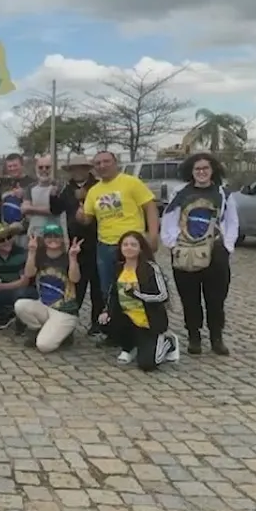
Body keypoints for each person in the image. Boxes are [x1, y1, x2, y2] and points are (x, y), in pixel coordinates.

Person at [160, 153, 237, 356]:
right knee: (189, 297)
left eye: (205, 168)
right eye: (197, 169)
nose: (201, 172)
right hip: (185, 250)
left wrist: (227, 247)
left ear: (212, 170)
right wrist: (172, 243)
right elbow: (168, 218)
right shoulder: (180, 192)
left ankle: (216, 337)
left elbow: (232, 222)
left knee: (216, 298)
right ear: (191, 171)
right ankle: (194, 337)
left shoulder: (223, 193)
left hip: (216, 252)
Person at [76, 151, 159, 306]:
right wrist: (79, 215)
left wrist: (153, 235)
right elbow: (87, 219)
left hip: (132, 245)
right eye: (98, 163)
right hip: (105, 247)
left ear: (115, 163)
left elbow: (150, 207)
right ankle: (114, 324)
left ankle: (139, 324)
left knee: (136, 287)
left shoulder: (131, 182)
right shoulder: (94, 191)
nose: (102, 166)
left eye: (106, 161)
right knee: (108, 290)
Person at [99, 231, 179, 371]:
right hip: (127, 319)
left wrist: (137, 294)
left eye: (133, 245)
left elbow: (163, 296)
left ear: (141, 248)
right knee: (105, 323)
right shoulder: (119, 268)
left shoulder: (151, 268)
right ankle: (129, 346)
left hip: (148, 321)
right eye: (125, 245)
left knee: (147, 365)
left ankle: (168, 342)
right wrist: (106, 311)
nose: (129, 248)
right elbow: (113, 293)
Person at [14, 225, 83, 353]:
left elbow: (75, 279)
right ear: (44, 239)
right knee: (20, 305)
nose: (53, 239)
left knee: (44, 346)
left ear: (62, 239)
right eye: (49, 236)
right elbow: (29, 274)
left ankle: (65, 333)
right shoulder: (40, 255)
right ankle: (37, 329)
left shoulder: (67, 256)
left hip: (65, 310)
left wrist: (73, 258)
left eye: (56, 236)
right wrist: (31, 252)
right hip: (44, 305)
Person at [57, 155, 103, 339]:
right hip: (76, 242)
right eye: (74, 169)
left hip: (98, 240)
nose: (78, 172)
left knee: (98, 287)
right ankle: (69, 323)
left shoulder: (97, 186)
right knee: (76, 285)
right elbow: (56, 209)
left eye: (81, 168)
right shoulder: (66, 189)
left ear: (87, 169)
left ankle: (97, 324)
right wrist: (53, 196)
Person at [23, 155, 66, 237]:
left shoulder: (60, 186)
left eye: (47, 167)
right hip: (35, 233)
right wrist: (47, 209)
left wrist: (32, 209)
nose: (44, 170)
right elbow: (24, 209)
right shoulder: (30, 187)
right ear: (36, 169)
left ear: (52, 168)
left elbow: (56, 210)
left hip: (55, 235)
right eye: (40, 167)